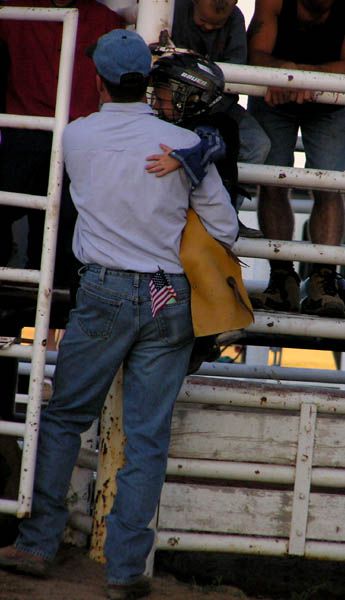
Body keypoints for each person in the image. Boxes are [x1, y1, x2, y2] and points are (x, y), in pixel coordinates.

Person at [0, 29, 238, 599]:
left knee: (63, 419)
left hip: (103, 291)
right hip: (167, 296)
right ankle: (127, 570)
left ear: (102, 79)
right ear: (149, 83)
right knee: (147, 437)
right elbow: (225, 228)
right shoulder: (180, 147)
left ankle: (36, 543)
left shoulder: (78, 137)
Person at [247, 0, 345, 318]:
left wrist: (299, 76)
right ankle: (281, 280)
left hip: (329, 98)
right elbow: (255, 55)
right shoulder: (274, 1)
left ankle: (323, 282)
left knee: (329, 183)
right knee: (272, 180)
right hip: (275, 94)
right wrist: (284, 75)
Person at [171, 0, 272, 237]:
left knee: (258, 145)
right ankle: (186, 213)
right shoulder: (173, 9)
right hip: (175, 104)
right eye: (203, 22)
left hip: (219, 105)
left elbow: (238, 70)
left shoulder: (235, 18)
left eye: (217, 25)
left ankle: (226, 215)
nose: (208, 28)